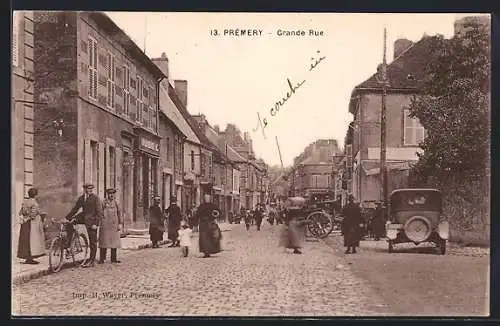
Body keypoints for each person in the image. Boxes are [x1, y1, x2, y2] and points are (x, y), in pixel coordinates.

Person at [66, 184, 103, 267]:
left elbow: (100, 212)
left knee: (92, 241)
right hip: (83, 217)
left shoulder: (96, 198)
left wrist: (96, 224)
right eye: (88, 188)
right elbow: (75, 209)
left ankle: (91, 260)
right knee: (69, 223)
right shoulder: (82, 198)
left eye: (91, 189)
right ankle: (70, 246)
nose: (90, 190)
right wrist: (67, 218)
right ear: (84, 189)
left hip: (92, 221)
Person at [17, 188, 46, 264]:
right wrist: (40, 214)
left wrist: (24, 219)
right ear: (35, 195)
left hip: (25, 224)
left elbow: (21, 212)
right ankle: (30, 259)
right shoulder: (35, 203)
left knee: (25, 241)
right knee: (32, 241)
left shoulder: (25, 202)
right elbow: (33, 215)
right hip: (32, 224)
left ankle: (27, 258)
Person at [98, 189, 122, 264]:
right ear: (107, 194)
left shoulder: (116, 202)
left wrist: (120, 224)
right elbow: (100, 212)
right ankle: (102, 259)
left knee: (114, 242)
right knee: (104, 241)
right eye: (109, 194)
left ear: (115, 194)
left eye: (113, 194)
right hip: (105, 224)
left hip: (114, 224)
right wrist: (100, 221)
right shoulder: (103, 202)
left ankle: (113, 259)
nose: (111, 195)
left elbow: (119, 213)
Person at [195, 193, 222, 258]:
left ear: (209, 199)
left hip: (210, 223)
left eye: (208, 198)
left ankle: (209, 251)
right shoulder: (202, 206)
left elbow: (219, 212)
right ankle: (206, 252)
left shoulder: (212, 206)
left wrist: (216, 215)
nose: (207, 199)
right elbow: (197, 215)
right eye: (206, 198)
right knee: (205, 238)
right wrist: (195, 224)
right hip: (204, 223)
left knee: (211, 237)